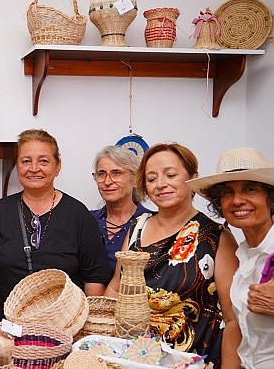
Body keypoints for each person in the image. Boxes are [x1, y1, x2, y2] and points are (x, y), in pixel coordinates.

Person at [104, 142, 240, 367]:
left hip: (193, 361)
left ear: (193, 178)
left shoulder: (216, 237)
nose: (161, 184)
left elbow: (233, 319)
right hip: (135, 359)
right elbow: (116, 288)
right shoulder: (137, 227)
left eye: (170, 174)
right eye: (152, 178)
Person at [0, 129, 112, 321]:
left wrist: (85, 324)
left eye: (43, 161)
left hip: (63, 327)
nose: (34, 168)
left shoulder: (78, 215)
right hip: (6, 324)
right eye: (26, 161)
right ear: (17, 165)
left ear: (57, 166)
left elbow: (94, 280)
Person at [187, 147, 274, 368]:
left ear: (270, 198)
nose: (237, 200)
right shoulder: (242, 253)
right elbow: (235, 325)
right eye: (227, 192)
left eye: (250, 189)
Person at [90, 145, 151, 271]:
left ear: (135, 179)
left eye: (116, 173)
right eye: (101, 174)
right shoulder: (86, 220)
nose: (107, 181)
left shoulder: (150, 222)